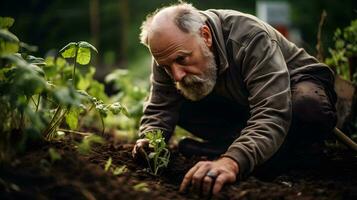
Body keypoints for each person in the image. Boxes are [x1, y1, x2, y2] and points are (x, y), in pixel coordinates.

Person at [132, 2, 337, 196]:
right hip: (242, 103)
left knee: (309, 108)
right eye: (166, 66)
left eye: (182, 59)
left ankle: (253, 155)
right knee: (181, 99)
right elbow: (161, 105)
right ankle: (238, 148)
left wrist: (231, 162)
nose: (176, 74)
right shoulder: (169, 51)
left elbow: (272, 111)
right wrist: (150, 140)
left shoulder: (250, 38)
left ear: (206, 36)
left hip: (292, 90)